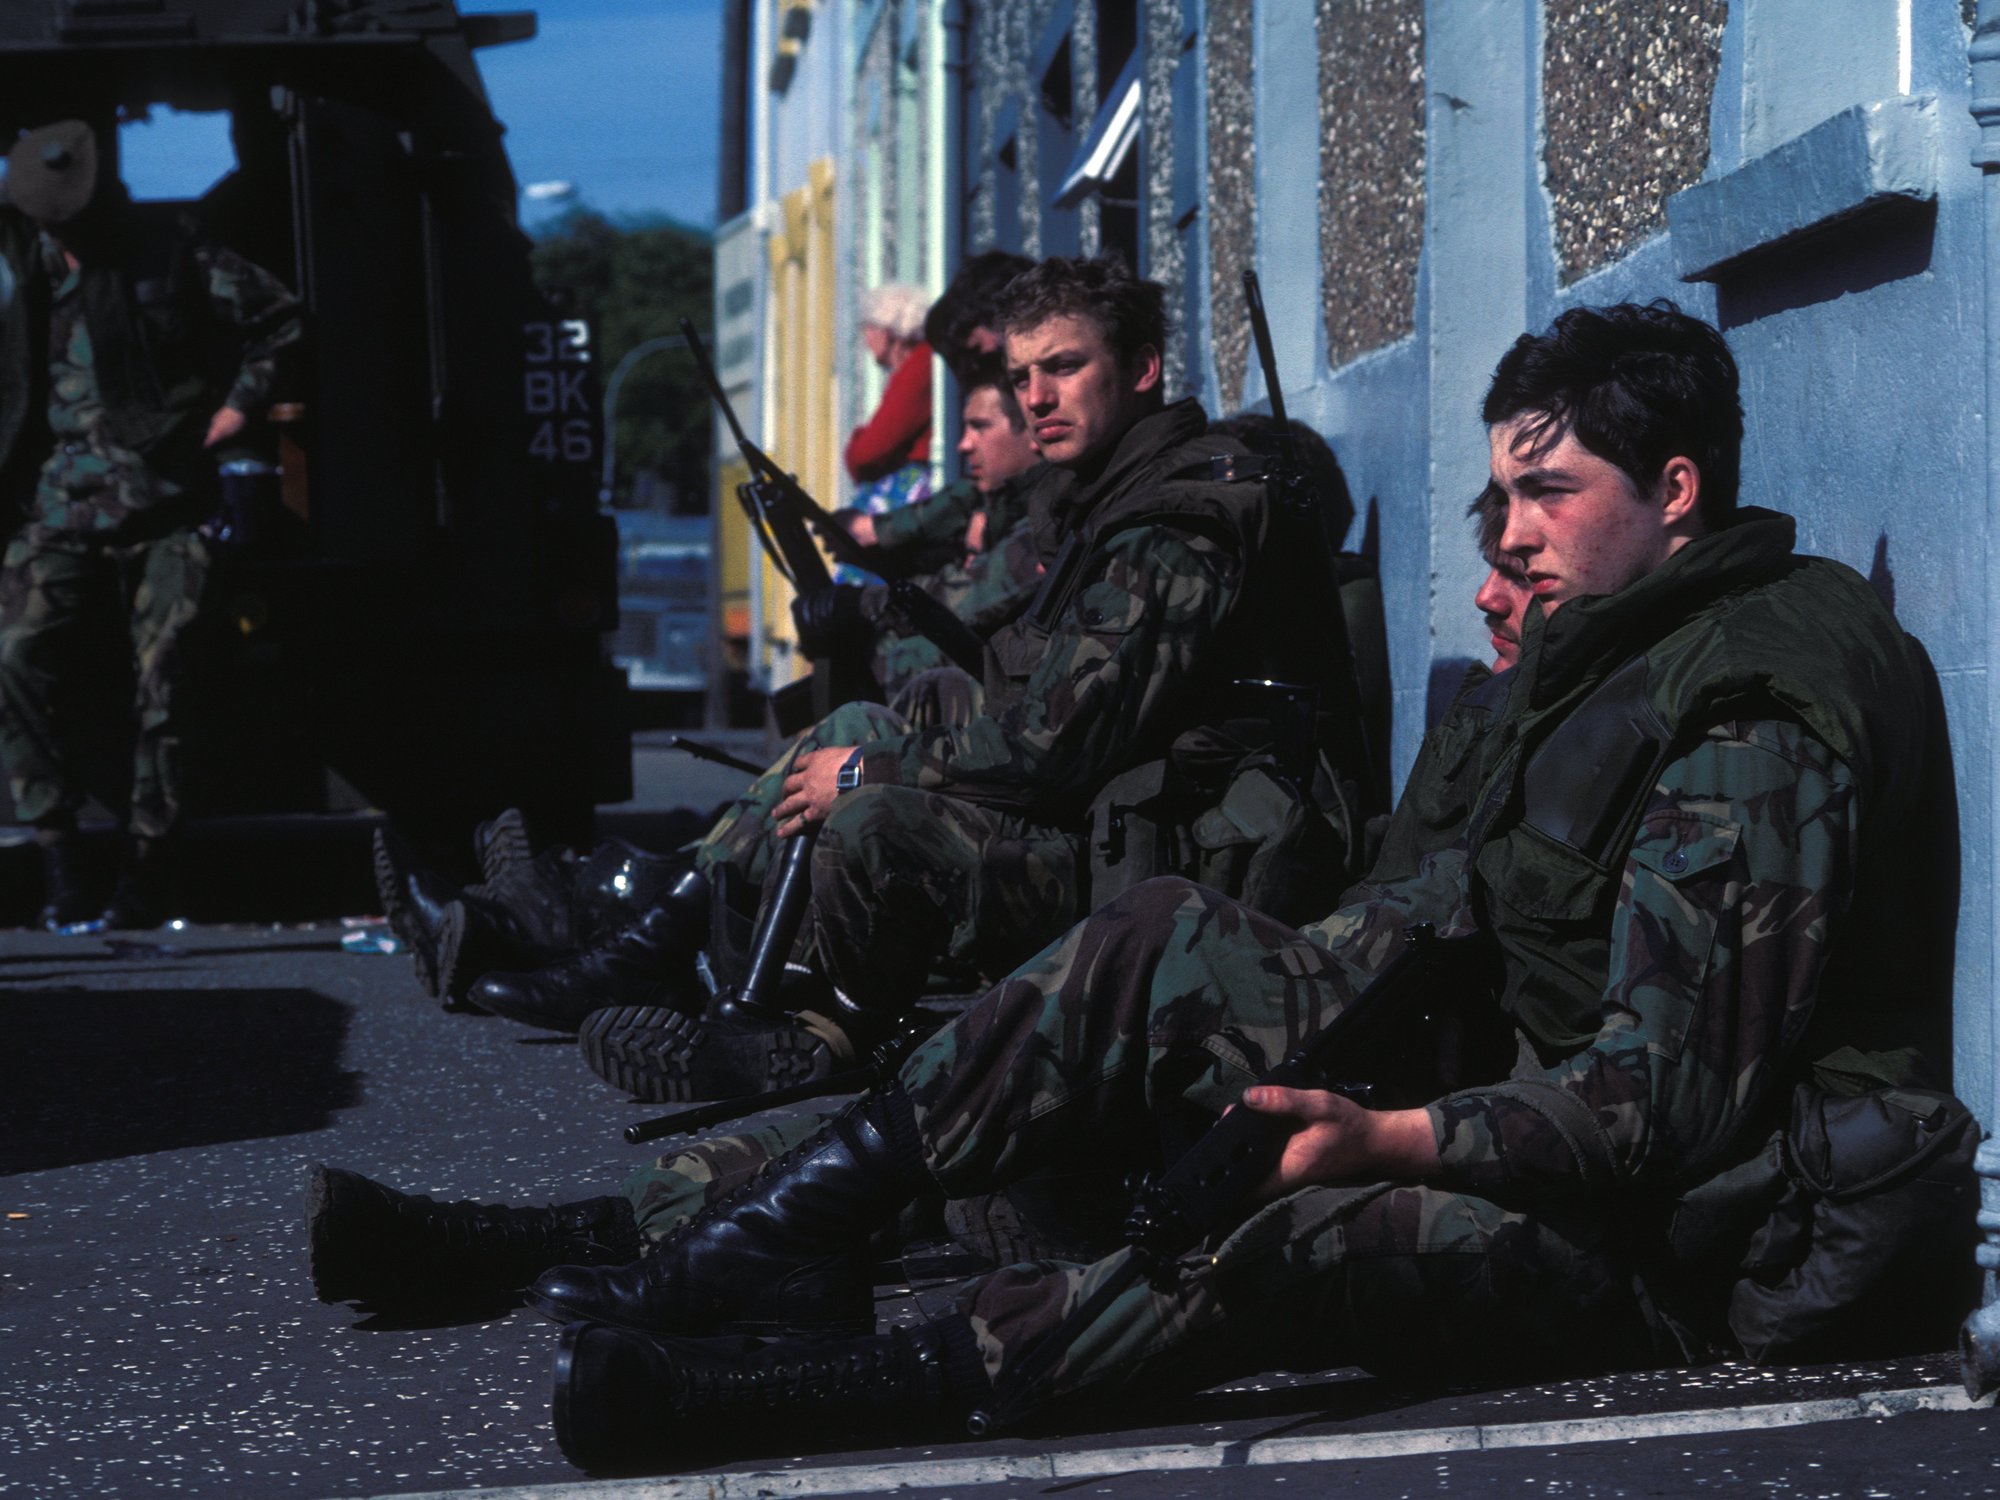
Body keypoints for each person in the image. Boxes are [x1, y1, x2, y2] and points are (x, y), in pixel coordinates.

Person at [517, 300, 1974, 1469]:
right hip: (1533, 1096)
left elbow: (1666, 1105)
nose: (1511, 536)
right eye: (1503, 494)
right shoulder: (1620, 641)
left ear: (1677, 489)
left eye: (1550, 493)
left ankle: (808, 1394)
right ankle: (753, 1248)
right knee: (1153, 949)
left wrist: (1380, 1132)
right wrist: (1249, 1012)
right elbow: (1447, 907)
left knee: (1269, 1234)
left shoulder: (1750, 717)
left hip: (1700, 1237)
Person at [300, 461, 1538, 1318]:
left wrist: (1391, 1128)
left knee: (959, 1138)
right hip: (1290, 1044)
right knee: (911, 1128)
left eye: (1530, 557)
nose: (1486, 591)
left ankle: (670, 1213)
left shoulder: (1663, 720)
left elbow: (1543, 1016)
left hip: (1341, 1087)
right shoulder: (1505, 705)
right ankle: (536, 1229)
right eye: (1494, 558)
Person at [0, 118, 303, 929]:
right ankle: (56, 846)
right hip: (57, 503)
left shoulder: (168, 249)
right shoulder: (22, 262)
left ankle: (149, 863)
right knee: (14, 656)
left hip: (167, 500)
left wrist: (238, 408)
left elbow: (279, 318)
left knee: (166, 682)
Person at [836, 283, 935, 580]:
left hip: (910, 488)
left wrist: (857, 441)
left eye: (868, 328)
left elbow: (867, 452)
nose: (865, 339)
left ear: (889, 330)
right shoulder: (912, 367)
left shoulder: (918, 367)